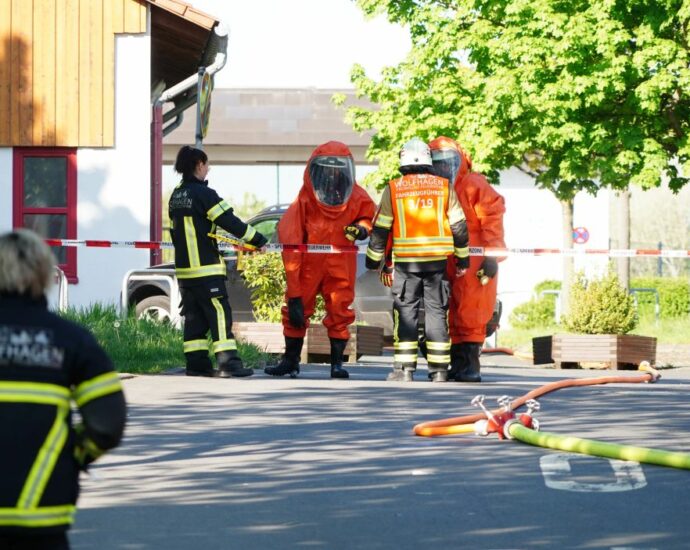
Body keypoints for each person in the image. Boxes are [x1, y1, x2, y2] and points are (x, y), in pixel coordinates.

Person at [0, 229, 127, 550]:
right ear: (45, 274)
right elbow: (107, 424)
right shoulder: (71, 339)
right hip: (41, 513)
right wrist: (71, 454)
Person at [264, 141, 376, 379]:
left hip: (340, 262)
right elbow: (291, 241)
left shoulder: (357, 196)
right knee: (296, 310)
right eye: (327, 169)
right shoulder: (305, 199)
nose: (332, 175)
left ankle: (337, 364)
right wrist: (294, 294)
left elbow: (369, 217)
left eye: (337, 170)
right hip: (309, 264)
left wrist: (361, 229)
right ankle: (290, 361)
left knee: (340, 310)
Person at [366, 137, 469, 382]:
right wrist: (463, 261)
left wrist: (373, 261)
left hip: (406, 264)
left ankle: (405, 370)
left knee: (406, 314)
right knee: (436, 314)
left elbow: (381, 228)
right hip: (437, 264)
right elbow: (459, 226)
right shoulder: (444, 187)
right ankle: (439, 371)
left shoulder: (394, 188)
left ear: (403, 160)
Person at [169, 146, 268, 378]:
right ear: (198, 165)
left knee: (194, 318)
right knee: (219, 314)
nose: (209, 168)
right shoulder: (204, 194)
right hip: (206, 269)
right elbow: (229, 221)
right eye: (206, 164)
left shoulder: (176, 196)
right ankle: (229, 363)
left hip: (185, 272)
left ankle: (196, 364)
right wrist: (258, 239)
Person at [429, 136, 506, 382]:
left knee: (472, 307)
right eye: (437, 162)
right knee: (452, 308)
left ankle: (471, 365)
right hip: (447, 252)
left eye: (446, 162)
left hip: (474, 256)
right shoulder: (433, 188)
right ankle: (459, 363)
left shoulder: (473, 183)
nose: (443, 167)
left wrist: (492, 255)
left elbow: (492, 216)